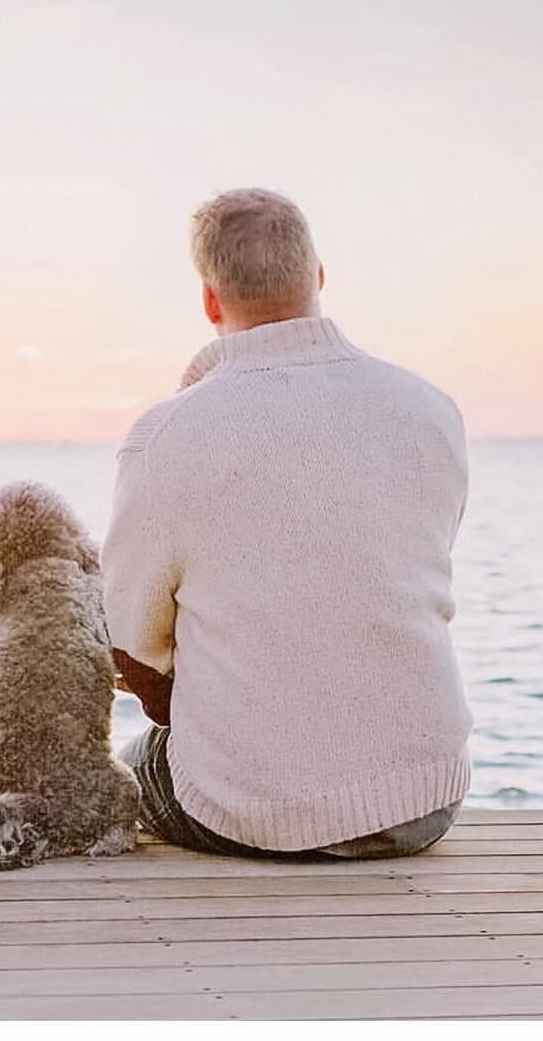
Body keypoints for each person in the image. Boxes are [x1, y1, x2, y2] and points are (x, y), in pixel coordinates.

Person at [102, 189, 472, 860]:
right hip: (422, 800)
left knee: (124, 772)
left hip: (247, 814)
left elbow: (129, 642)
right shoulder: (431, 411)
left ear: (211, 302)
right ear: (319, 277)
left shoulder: (167, 435)